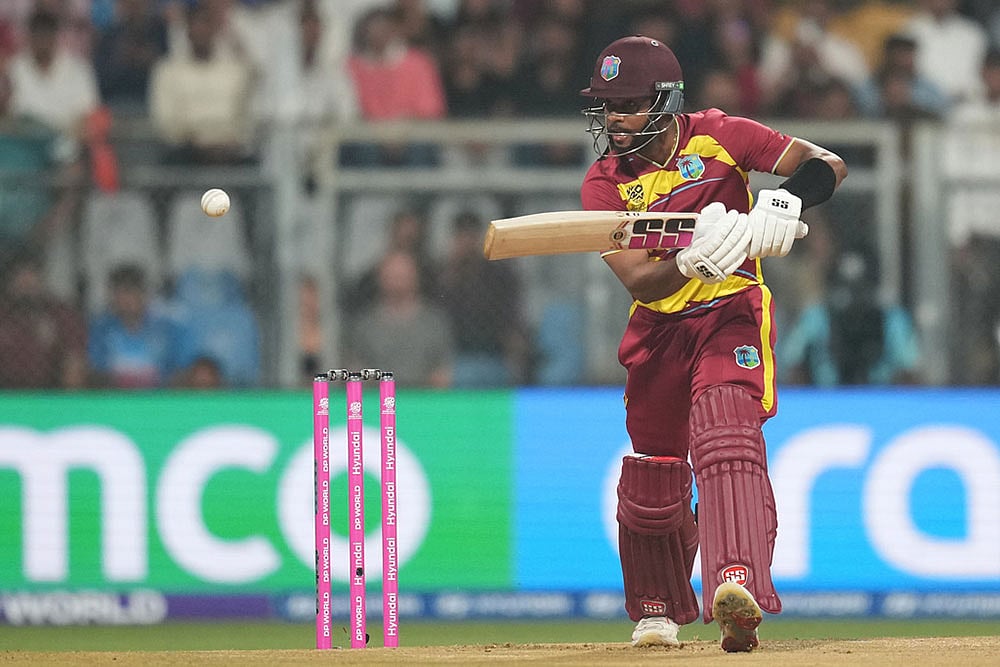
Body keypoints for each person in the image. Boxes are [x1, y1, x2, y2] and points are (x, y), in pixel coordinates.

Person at [577, 36, 847, 651]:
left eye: (628, 105)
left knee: (726, 430)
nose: (614, 120)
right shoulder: (602, 183)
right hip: (657, 330)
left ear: (667, 102)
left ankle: (737, 585)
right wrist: (691, 261)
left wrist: (786, 198)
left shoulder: (722, 135)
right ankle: (656, 609)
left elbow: (828, 163)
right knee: (654, 474)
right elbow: (640, 277)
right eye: (606, 107)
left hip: (730, 312)